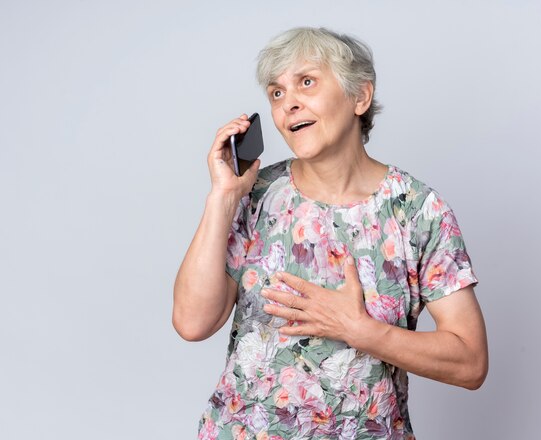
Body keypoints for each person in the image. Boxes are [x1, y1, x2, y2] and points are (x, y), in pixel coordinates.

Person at [173, 27, 488, 440]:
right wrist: (223, 196)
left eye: (306, 82)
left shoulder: (418, 210)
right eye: (276, 93)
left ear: (360, 97)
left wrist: (359, 330)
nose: (289, 103)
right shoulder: (255, 196)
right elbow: (193, 322)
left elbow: (470, 362)